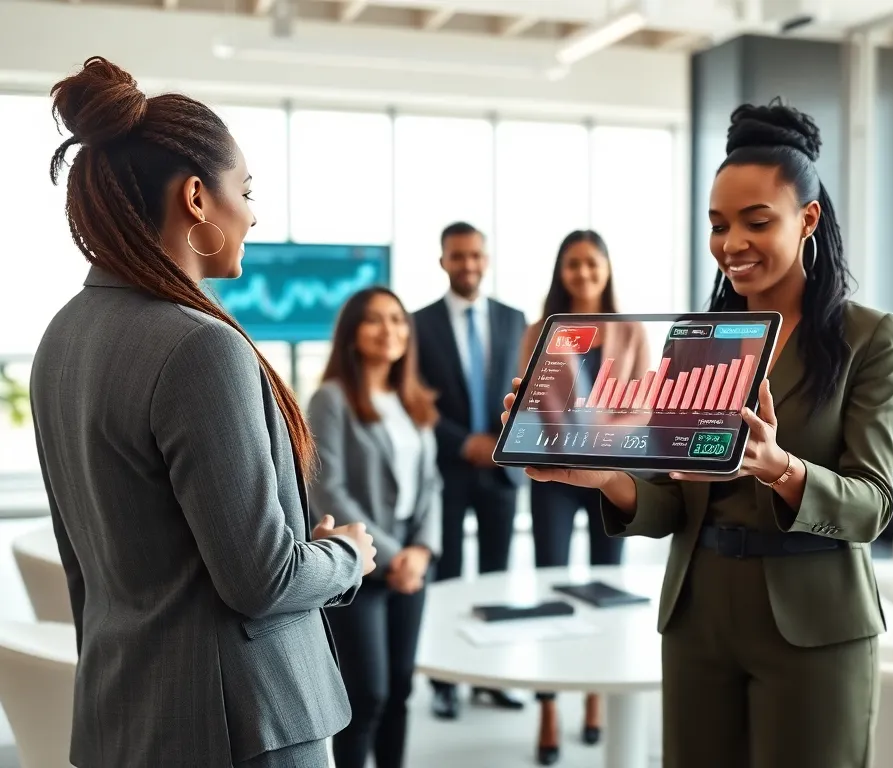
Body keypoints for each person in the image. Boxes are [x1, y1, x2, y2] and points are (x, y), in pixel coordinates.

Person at [506, 100, 893, 768]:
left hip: (813, 623)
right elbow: (672, 501)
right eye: (719, 225)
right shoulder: (700, 340)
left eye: (757, 221)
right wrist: (605, 476)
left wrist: (780, 467)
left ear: (808, 219)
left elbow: (873, 505)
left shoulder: (869, 338)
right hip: (699, 617)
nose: (732, 244)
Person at [29, 57, 377, 768]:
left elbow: (88, 568)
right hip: (242, 727)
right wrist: (347, 556)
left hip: (122, 715)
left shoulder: (60, 338)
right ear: (196, 197)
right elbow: (262, 581)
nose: (252, 213)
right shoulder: (199, 347)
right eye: (244, 191)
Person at [515, 230, 649, 765]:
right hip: (554, 474)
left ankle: (596, 695)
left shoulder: (630, 330)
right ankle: (548, 707)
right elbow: (528, 398)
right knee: (549, 585)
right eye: (573, 264)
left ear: (607, 269)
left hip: (609, 475)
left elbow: (644, 406)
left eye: (592, 263)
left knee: (606, 585)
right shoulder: (542, 330)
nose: (583, 273)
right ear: (561, 272)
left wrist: (598, 438)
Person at [307, 287, 443, 768]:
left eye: (397, 319)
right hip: (359, 565)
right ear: (352, 333)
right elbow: (328, 490)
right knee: (367, 695)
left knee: (401, 688)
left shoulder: (414, 400)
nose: (390, 330)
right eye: (374, 320)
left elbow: (432, 483)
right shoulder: (330, 399)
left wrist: (422, 550)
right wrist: (395, 554)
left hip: (412, 560)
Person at [413, 221, 528, 719]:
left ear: (487, 258)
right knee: (448, 575)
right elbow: (417, 400)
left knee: (497, 577)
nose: (468, 265)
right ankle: (445, 681)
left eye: (475, 255)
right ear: (443, 261)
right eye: (458, 256)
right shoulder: (419, 324)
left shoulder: (514, 319)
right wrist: (465, 443)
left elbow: (529, 389)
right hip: (449, 469)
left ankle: (490, 678)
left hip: (502, 470)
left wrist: (500, 442)